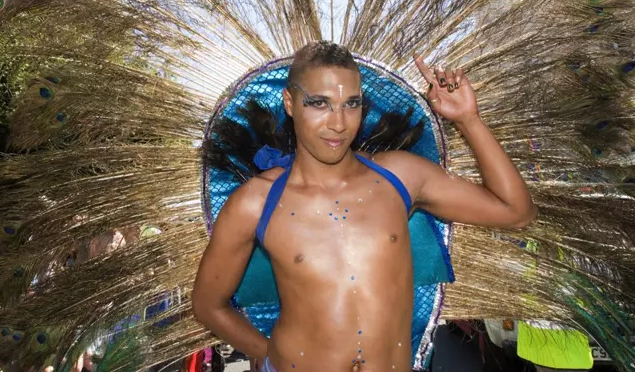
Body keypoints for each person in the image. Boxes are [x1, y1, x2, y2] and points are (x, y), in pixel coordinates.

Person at [192, 42, 538, 372]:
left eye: (351, 103)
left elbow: (515, 212)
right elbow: (209, 305)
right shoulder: (256, 201)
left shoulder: (400, 177)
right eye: (319, 103)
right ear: (289, 102)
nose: (338, 123)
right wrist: (268, 354)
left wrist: (468, 119)